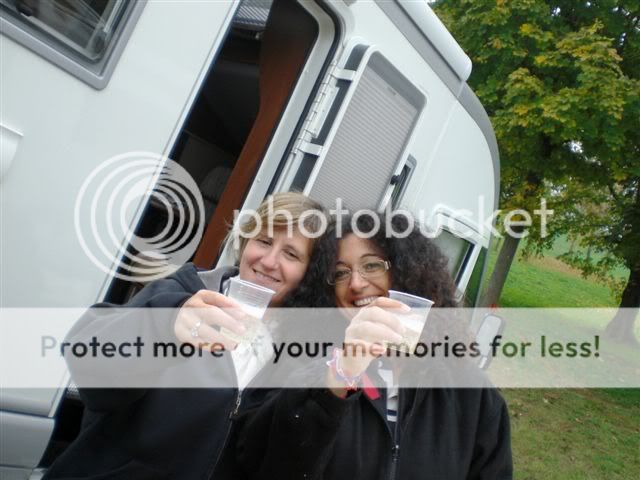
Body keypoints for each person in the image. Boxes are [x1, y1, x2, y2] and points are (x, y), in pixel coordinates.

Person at [44, 192, 327, 480]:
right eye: (263, 241)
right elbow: (88, 363)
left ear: (308, 273)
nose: (268, 261)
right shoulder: (181, 293)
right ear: (244, 242)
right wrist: (166, 324)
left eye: (291, 254)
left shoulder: (292, 355)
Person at [235, 212, 513, 480]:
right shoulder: (299, 361)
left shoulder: (471, 394)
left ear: (411, 272)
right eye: (340, 273)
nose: (355, 283)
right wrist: (339, 376)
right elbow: (262, 464)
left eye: (371, 266)